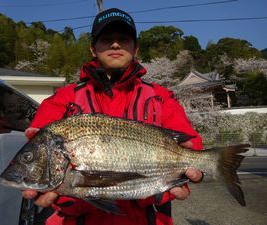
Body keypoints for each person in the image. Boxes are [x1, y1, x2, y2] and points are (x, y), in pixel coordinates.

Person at [22, 8, 204, 225]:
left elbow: (192, 145)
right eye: (107, 39)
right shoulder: (63, 98)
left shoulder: (160, 97)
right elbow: (42, 159)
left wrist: (190, 172)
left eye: (123, 39)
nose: (115, 45)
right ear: (92, 48)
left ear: (135, 48)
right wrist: (64, 194)